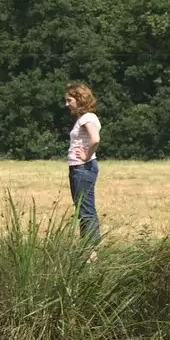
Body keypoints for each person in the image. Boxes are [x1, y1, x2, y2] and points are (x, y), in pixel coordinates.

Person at [66, 83, 102, 245]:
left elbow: (95, 138)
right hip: (79, 168)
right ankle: (87, 250)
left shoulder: (88, 118)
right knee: (83, 211)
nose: (67, 104)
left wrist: (86, 155)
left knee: (86, 212)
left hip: (83, 169)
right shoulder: (84, 118)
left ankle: (92, 254)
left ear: (80, 99)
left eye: (69, 100)